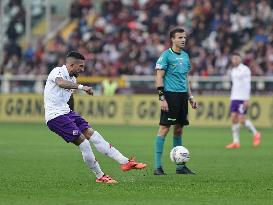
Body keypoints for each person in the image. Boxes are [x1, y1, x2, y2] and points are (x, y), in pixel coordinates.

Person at [44, 51, 146, 184]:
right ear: (71, 65)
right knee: (84, 143)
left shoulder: (73, 78)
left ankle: (125, 162)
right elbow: (61, 83)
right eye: (80, 66)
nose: (82, 69)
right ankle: (100, 176)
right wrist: (82, 87)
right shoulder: (57, 71)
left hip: (67, 113)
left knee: (94, 135)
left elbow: (70, 97)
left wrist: (72, 114)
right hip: (55, 116)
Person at [154, 28, 198, 175]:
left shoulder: (185, 56)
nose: (183, 40)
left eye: (184, 37)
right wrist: (162, 98)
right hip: (170, 96)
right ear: (172, 39)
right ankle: (157, 166)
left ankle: (180, 167)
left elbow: (185, 78)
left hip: (182, 97)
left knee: (179, 128)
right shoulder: (166, 55)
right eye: (180, 37)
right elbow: (159, 77)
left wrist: (190, 97)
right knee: (165, 128)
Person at [226, 53, 261, 149]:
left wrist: (246, 99)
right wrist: (231, 98)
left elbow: (247, 85)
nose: (235, 60)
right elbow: (234, 85)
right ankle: (236, 142)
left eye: (236, 59)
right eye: (233, 59)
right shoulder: (233, 70)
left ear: (240, 59)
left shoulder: (245, 70)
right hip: (234, 98)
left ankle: (256, 133)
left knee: (241, 120)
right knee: (233, 118)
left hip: (242, 98)